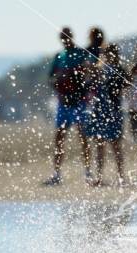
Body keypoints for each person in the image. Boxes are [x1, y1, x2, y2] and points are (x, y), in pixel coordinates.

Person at [43, 27, 92, 186]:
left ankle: (87, 173)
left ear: (72, 37)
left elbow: (88, 73)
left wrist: (78, 80)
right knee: (59, 138)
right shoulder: (59, 56)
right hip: (63, 103)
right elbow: (51, 78)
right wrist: (58, 80)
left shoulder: (81, 53)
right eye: (63, 38)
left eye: (67, 37)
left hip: (78, 102)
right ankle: (56, 174)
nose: (65, 40)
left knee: (82, 137)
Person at [87, 44, 131, 186]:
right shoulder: (98, 70)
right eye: (106, 54)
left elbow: (126, 84)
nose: (109, 56)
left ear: (116, 55)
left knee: (116, 145)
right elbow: (89, 85)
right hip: (99, 111)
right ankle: (99, 177)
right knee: (100, 144)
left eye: (112, 53)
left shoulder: (119, 70)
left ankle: (121, 177)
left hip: (114, 111)